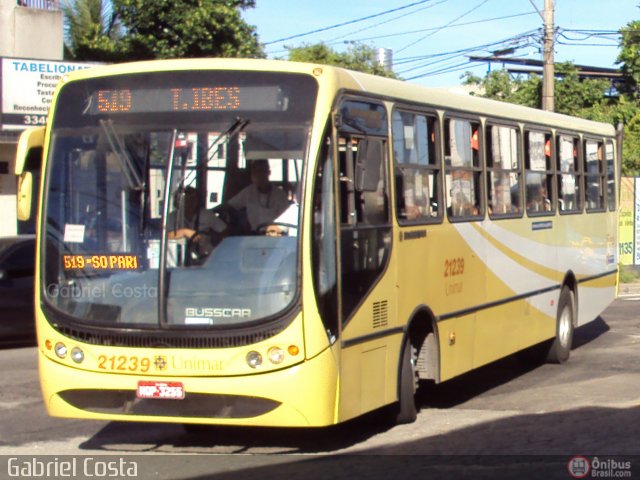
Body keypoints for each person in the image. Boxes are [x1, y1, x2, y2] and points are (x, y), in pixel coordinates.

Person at [226, 159, 289, 232]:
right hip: (255, 234)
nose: (259, 175)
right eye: (256, 172)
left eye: (262, 172)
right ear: (252, 174)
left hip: (275, 235)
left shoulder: (280, 195)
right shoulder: (248, 191)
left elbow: (286, 220)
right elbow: (230, 205)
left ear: (268, 173)